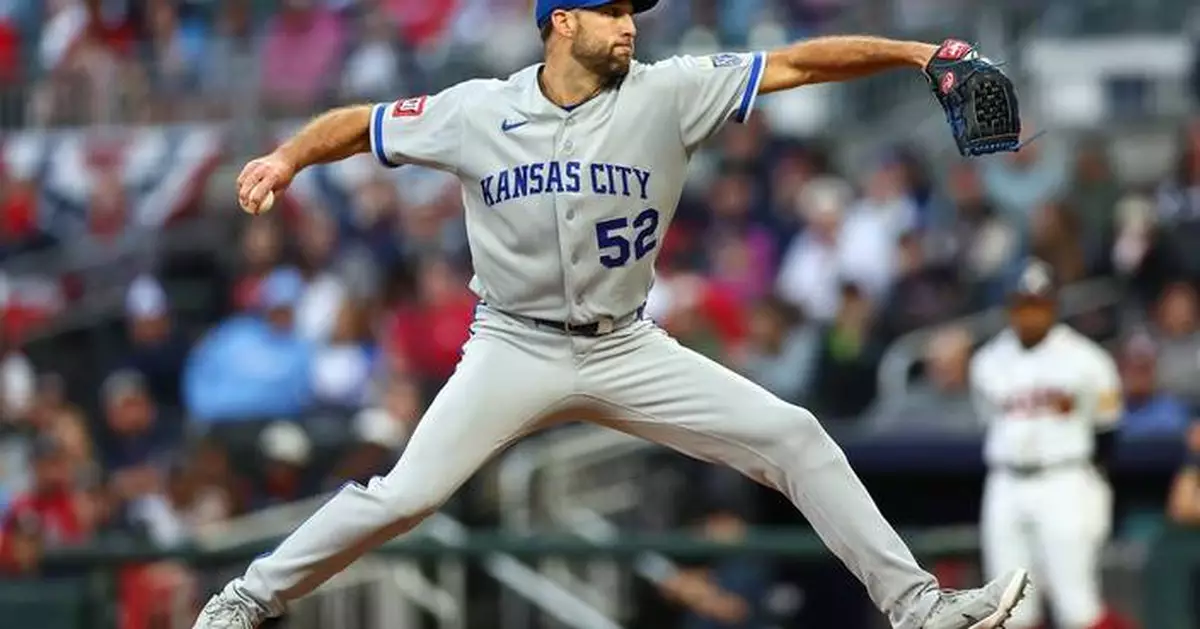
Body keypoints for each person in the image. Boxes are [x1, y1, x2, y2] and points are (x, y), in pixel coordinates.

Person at [195, 3, 1030, 628]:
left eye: (632, 9)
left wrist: (916, 51)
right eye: (610, 10)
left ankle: (918, 605)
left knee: (793, 435)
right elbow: (361, 125)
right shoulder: (477, 108)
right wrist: (287, 156)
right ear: (561, 23)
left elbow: (799, 66)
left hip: (628, 345)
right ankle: (242, 601)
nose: (628, 24)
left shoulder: (669, 91)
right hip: (511, 345)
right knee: (403, 496)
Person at [969, 259, 1123, 629]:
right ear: (1009, 307)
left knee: (1077, 607)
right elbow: (987, 423)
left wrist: (1092, 491)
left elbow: (1107, 435)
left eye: (1037, 304)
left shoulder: (1087, 360)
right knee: (1008, 611)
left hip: (1065, 480)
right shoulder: (987, 361)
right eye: (1022, 304)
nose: (1029, 314)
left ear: (1053, 305)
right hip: (1005, 482)